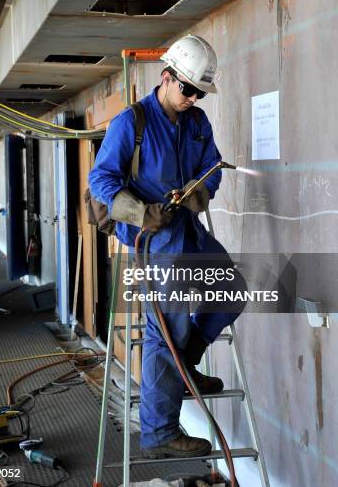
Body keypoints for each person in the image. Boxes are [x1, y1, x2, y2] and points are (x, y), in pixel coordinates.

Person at [89, 35, 246, 459]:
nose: (193, 98)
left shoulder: (196, 123)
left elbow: (211, 168)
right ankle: (160, 433)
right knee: (166, 330)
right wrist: (142, 213)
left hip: (187, 231)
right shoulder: (131, 123)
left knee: (231, 291)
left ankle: (185, 368)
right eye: (187, 89)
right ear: (166, 77)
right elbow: (100, 182)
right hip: (154, 240)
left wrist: (200, 193)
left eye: (199, 92)